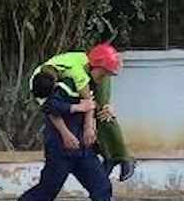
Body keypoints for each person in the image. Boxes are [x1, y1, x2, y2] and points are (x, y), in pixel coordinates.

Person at [0, 70, 126, 201]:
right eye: (105, 72)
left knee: (102, 188)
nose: (106, 76)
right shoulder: (69, 83)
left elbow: (93, 108)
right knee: (45, 194)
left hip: (83, 150)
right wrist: (67, 129)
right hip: (60, 149)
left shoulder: (94, 87)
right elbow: (50, 107)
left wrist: (103, 112)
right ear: (96, 68)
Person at [29, 43, 135, 181]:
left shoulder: (78, 72)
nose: (105, 78)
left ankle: (122, 156)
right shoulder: (42, 90)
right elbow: (52, 111)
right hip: (96, 68)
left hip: (99, 65)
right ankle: (109, 155)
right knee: (95, 110)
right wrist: (66, 133)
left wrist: (89, 126)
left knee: (104, 111)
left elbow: (88, 101)